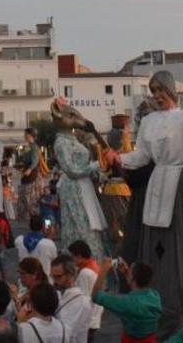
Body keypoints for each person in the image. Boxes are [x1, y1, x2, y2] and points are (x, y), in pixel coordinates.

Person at [106, 71, 183, 339]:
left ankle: (181, 304)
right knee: (155, 245)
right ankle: (155, 297)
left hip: (180, 185)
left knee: (177, 246)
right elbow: (143, 155)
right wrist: (120, 159)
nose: (157, 95)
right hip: (156, 186)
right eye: (153, 90)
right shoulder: (147, 121)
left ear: (171, 90)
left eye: (161, 89)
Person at [50, 99, 108, 261]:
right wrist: (96, 165)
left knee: (90, 225)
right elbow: (72, 170)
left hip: (84, 185)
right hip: (74, 187)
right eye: (72, 116)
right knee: (81, 226)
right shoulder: (61, 143)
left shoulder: (72, 139)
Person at [91, 258, 161, 343]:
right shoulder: (155, 296)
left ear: (132, 278)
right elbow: (136, 286)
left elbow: (95, 295)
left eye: (130, 270)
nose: (128, 270)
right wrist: (127, 272)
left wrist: (103, 270)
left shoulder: (127, 303)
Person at [50, 255, 92, 343]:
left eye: (58, 276)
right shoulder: (56, 294)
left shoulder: (82, 302)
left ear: (71, 275)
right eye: (53, 276)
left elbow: (66, 333)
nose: (54, 281)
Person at [68, 241, 103, 341]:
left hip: (88, 319)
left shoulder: (85, 273)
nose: (72, 260)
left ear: (79, 256)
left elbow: (84, 299)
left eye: (72, 257)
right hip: (94, 315)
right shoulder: (93, 265)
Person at [17, 128, 44, 220]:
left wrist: (29, 169)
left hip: (32, 175)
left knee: (31, 199)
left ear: (29, 135)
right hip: (29, 174)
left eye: (25, 134)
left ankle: (36, 220)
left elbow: (35, 160)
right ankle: (33, 220)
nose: (24, 136)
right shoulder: (29, 146)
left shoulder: (34, 147)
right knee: (29, 198)